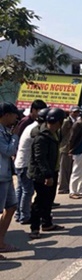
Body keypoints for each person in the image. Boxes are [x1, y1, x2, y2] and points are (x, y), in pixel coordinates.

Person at [28, 108, 66, 239]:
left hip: (52, 170)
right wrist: (47, 176)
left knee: (49, 200)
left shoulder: (53, 133)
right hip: (42, 174)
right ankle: (34, 228)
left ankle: (47, 223)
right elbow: (40, 158)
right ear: (59, 122)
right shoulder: (41, 136)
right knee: (40, 201)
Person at [14, 107, 49, 224]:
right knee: (27, 191)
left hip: (20, 162)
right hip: (25, 164)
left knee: (21, 190)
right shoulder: (36, 130)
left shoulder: (32, 126)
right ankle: (25, 216)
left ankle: (19, 214)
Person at [0, 102, 21, 259]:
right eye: (14, 115)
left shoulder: (5, 130)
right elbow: (8, 151)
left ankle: (1, 242)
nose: (16, 118)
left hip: (6, 175)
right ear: (6, 115)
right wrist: (15, 136)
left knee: (12, 207)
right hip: (1, 177)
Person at [58, 106, 80, 194]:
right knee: (64, 169)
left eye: (77, 112)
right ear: (70, 112)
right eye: (75, 112)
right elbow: (62, 134)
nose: (76, 114)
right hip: (65, 147)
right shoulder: (67, 121)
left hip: (72, 147)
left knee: (70, 168)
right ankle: (63, 187)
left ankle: (68, 186)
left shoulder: (76, 121)